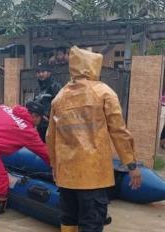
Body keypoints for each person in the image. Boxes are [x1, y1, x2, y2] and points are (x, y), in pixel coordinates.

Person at [46, 46, 142, 232]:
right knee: (92, 222)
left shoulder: (59, 97)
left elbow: (51, 136)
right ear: (93, 66)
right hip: (93, 176)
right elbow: (119, 132)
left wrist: (54, 166)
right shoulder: (104, 93)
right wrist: (131, 165)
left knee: (68, 220)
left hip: (66, 175)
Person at [34, 64, 62, 141]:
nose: (40, 74)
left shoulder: (55, 86)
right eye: (38, 72)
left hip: (51, 124)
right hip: (40, 124)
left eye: (43, 71)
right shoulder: (37, 89)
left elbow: (60, 104)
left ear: (49, 73)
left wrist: (49, 117)